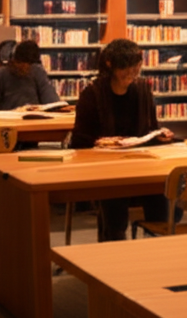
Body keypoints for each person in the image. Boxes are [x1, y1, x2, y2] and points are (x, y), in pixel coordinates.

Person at [70, 39, 175, 241]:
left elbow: (150, 130)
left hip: (141, 164)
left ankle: (159, 246)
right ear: (110, 66)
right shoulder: (92, 95)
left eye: (136, 67)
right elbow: (79, 142)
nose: (131, 73)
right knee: (114, 198)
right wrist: (100, 142)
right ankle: (114, 247)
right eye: (125, 68)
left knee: (161, 189)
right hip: (106, 168)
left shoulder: (143, 91)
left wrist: (160, 136)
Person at [0, 40, 60, 112]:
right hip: (16, 122)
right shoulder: (0, 75)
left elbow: (52, 102)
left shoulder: (37, 72)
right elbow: (53, 102)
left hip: (15, 122)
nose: (23, 67)